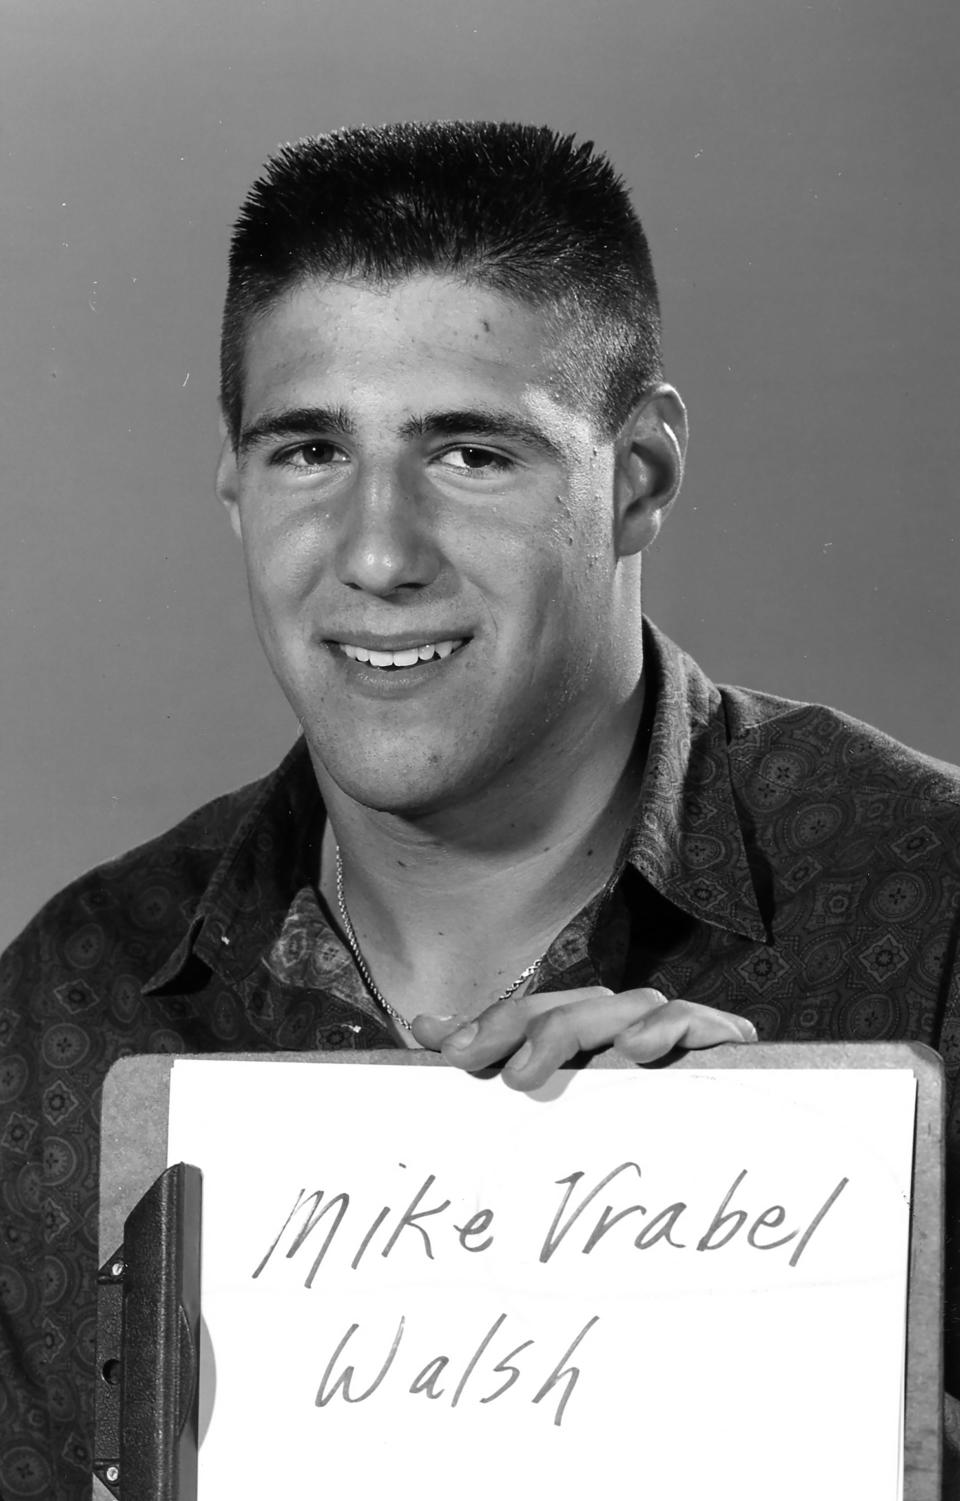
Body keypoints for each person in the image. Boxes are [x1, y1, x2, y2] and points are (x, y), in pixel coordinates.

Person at [1, 120, 958, 1499]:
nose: (379, 551)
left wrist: (811, 1328)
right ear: (233, 484)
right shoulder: (69, 1003)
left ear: (640, 477)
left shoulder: (934, 911)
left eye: (471, 455)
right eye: (310, 450)